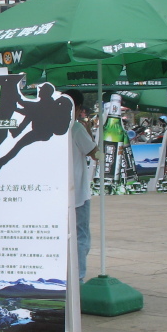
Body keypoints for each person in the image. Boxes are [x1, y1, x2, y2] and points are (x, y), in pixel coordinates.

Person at [67, 91, 98, 282]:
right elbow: (95, 153)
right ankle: (78, 278)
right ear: (77, 108)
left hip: (58, 195)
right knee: (81, 238)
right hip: (77, 195)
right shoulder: (76, 128)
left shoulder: (51, 126)